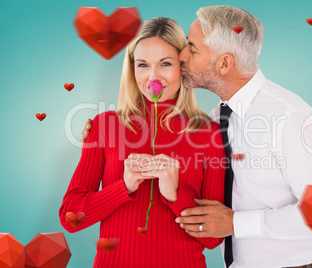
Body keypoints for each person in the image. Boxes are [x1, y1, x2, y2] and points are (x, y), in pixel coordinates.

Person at [82, 6, 312, 268]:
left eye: (192, 49)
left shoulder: (289, 117)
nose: (181, 55)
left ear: (224, 63)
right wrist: (104, 139)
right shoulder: (217, 119)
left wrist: (234, 223)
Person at [60, 17, 226, 268]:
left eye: (165, 63)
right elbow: (70, 218)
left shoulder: (208, 132)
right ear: (132, 69)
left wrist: (174, 195)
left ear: (182, 67)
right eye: (143, 65)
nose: (153, 77)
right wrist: (123, 187)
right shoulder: (105, 126)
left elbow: (214, 239)